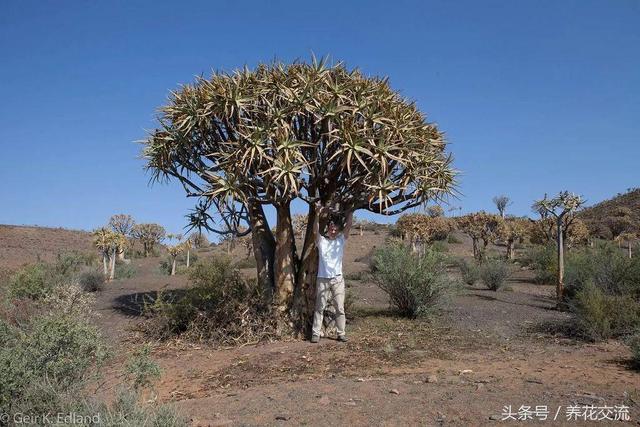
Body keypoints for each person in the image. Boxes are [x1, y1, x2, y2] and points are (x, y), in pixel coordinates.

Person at [310, 202, 353, 343]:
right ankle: (315, 333)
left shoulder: (340, 240)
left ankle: (341, 333)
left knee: (340, 307)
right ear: (328, 229)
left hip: (337, 279)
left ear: (338, 230)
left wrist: (351, 211)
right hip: (322, 278)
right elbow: (315, 231)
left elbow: (348, 226)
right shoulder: (321, 241)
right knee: (319, 307)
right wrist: (316, 214)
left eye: (335, 229)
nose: (333, 231)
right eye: (331, 229)